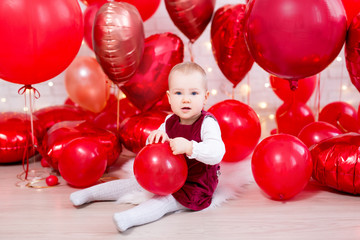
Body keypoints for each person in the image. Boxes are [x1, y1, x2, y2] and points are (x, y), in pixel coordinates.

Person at [69, 61, 225, 232]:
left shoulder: (207, 123)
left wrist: (190, 147)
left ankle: (129, 218)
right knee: (134, 184)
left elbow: (217, 152)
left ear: (205, 97)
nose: (186, 99)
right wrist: (157, 137)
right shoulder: (170, 120)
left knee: (164, 201)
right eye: (178, 93)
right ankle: (89, 194)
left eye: (194, 93)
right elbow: (158, 140)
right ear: (169, 97)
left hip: (195, 183)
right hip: (168, 175)